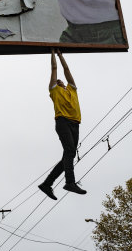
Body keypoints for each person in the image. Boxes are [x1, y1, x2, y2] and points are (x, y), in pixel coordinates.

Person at [38, 48, 87, 200]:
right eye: (56, 81)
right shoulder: (54, 91)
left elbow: (66, 69)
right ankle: (70, 182)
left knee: (68, 155)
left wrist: (61, 55)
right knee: (70, 151)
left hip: (75, 124)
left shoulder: (72, 89)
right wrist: (52, 53)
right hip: (63, 122)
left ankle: (47, 184)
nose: (59, 80)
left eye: (61, 80)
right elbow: (55, 68)